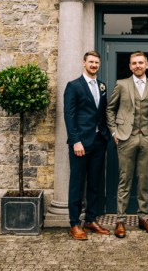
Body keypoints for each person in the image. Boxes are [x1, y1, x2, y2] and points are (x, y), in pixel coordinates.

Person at [106, 51, 148, 238]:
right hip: (126, 137)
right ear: (130, 66)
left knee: (144, 179)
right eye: (134, 63)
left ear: (147, 64)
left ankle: (143, 217)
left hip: (146, 137)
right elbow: (110, 109)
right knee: (125, 179)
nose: (137, 65)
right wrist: (114, 131)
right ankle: (120, 220)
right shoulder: (121, 84)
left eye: (140, 62)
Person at [63, 51, 111, 240]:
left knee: (94, 183)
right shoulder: (74, 86)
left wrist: (107, 135)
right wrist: (75, 141)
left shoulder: (102, 86)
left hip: (99, 142)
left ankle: (91, 220)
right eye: (91, 62)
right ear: (84, 63)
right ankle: (75, 224)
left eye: (96, 62)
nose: (94, 65)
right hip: (80, 144)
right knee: (77, 183)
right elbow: (69, 115)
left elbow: (102, 112)